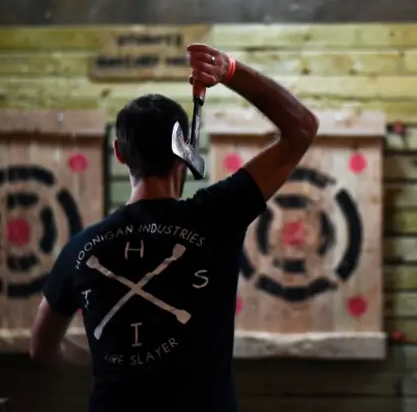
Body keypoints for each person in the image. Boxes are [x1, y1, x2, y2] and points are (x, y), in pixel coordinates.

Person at [30, 43, 319, 412]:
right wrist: (229, 70)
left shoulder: (81, 249)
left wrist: (100, 361)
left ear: (119, 153)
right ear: (185, 149)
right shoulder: (216, 215)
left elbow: (40, 348)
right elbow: (302, 128)